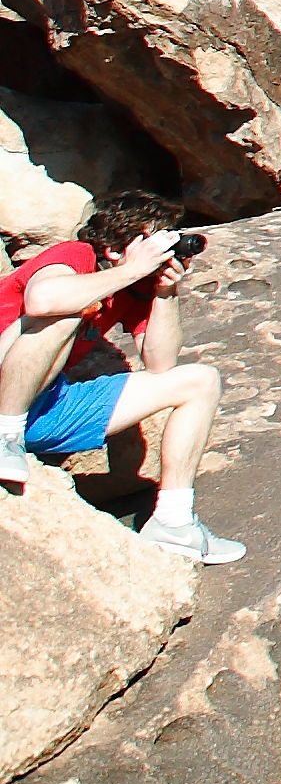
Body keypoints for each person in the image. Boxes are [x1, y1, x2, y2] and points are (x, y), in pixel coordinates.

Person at [0, 189, 242, 562]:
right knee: (65, 313)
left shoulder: (132, 292)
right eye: (154, 242)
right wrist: (130, 270)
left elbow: (161, 364)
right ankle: (4, 435)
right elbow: (42, 301)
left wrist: (164, 291)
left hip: (42, 406)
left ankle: (174, 523)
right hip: (6, 386)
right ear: (115, 248)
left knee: (199, 381)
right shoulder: (76, 255)